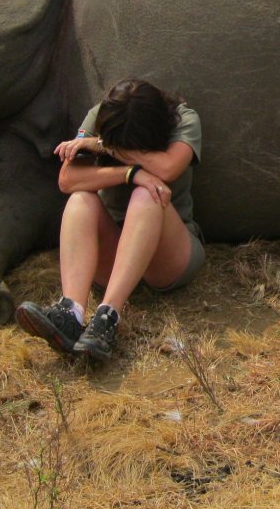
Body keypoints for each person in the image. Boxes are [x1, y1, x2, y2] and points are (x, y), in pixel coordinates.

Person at [15, 78, 204, 362]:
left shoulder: (183, 118)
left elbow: (167, 168)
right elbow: (67, 180)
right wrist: (130, 173)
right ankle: (71, 313)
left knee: (147, 195)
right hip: (113, 251)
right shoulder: (101, 116)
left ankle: (107, 318)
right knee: (81, 199)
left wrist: (107, 147)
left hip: (167, 256)